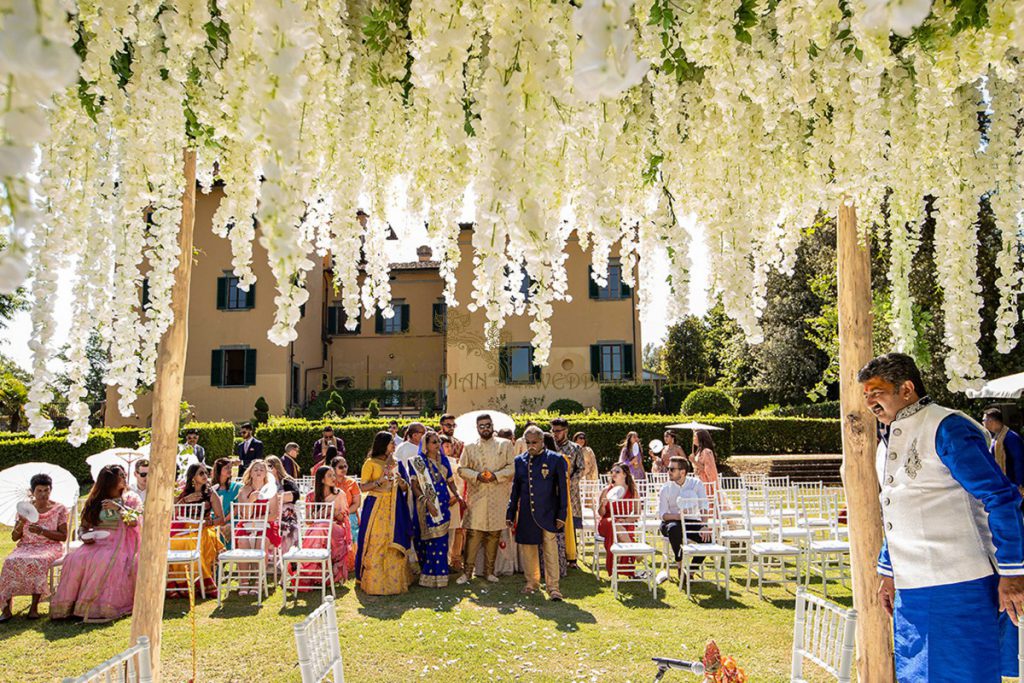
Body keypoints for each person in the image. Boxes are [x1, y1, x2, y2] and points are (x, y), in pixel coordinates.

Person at [861, 352, 1024, 682]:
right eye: (865, 396)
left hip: (958, 586)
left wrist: (1013, 570)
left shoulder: (947, 427)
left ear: (906, 388)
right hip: (912, 591)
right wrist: (888, 570)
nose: (870, 402)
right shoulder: (886, 440)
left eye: (876, 392)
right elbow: (897, 509)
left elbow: (1000, 496)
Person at [51, 465, 142, 622]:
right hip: (96, 541)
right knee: (74, 559)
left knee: (104, 559)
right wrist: (83, 535)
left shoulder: (131, 498)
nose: (124, 477)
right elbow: (83, 527)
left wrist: (119, 508)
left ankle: (98, 606)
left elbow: (135, 522)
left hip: (122, 541)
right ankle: (69, 607)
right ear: (109, 481)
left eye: (123, 474)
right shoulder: (95, 501)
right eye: (120, 475)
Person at [507, 426, 568, 600]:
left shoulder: (555, 459)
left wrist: (561, 515)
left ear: (542, 441)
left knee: (550, 550)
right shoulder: (519, 461)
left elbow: (562, 490)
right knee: (528, 548)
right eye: (528, 443)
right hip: (527, 512)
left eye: (534, 442)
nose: (531, 446)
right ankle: (532, 583)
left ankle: (553, 587)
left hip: (549, 512)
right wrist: (510, 513)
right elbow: (515, 490)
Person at [0, 474, 68, 621]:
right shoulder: (24, 509)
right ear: (32, 492)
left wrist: (43, 531)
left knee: (37, 561)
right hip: (26, 546)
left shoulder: (59, 509)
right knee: (10, 561)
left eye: (46, 490)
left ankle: (34, 607)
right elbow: (14, 537)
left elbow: (63, 536)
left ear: (51, 490)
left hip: (49, 546)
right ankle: (6, 609)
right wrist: (21, 522)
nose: (43, 494)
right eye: (39, 491)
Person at [458, 413, 515, 584]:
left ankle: (489, 571)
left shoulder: (504, 445)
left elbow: (512, 467)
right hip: (477, 496)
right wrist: (477, 476)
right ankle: (467, 572)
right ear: (477, 428)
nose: (485, 428)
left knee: (493, 534)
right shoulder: (469, 447)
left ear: (492, 425)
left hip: (498, 496)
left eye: (487, 425)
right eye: (481, 426)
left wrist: (495, 476)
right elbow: (461, 469)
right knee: (473, 533)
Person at [355, 431, 413, 595]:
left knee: (393, 541)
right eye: (391, 443)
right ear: (383, 444)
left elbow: (405, 488)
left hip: (395, 507)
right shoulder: (371, 463)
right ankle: (374, 583)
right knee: (377, 542)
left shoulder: (397, 463)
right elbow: (363, 487)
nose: (394, 446)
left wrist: (402, 482)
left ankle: (395, 582)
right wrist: (380, 480)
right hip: (377, 506)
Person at [409, 430, 466, 588]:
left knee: (442, 542)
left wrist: (458, 495)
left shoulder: (444, 461)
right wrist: (428, 503)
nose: (437, 445)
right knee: (429, 541)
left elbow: (450, 481)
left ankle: (440, 577)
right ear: (425, 445)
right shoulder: (418, 462)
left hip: (443, 505)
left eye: (438, 442)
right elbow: (415, 487)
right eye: (434, 442)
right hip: (427, 506)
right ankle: (428, 576)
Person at [169, 463, 226, 598]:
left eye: (206, 473)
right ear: (192, 477)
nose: (205, 476)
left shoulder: (210, 493)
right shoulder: (183, 492)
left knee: (191, 544)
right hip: (182, 528)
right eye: (201, 473)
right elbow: (171, 513)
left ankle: (200, 584)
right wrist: (184, 501)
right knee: (175, 543)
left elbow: (221, 519)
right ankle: (177, 586)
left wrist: (208, 522)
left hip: (203, 529)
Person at [294, 466, 351, 586]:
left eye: (333, 475)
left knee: (323, 524)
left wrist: (334, 513)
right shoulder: (311, 496)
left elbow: (343, 519)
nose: (333, 478)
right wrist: (319, 515)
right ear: (321, 480)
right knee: (321, 525)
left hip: (336, 529)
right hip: (317, 530)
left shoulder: (340, 494)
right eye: (329, 475)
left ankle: (310, 569)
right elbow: (308, 521)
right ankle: (315, 572)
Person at [658, 457, 711, 584]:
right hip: (671, 521)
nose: (668, 472)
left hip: (690, 521)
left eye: (671, 469)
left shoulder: (696, 484)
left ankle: (691, 571)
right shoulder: (665, 488)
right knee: (674, 529)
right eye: (668, 469)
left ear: (682, 472)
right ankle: (680, 565)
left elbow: (704, 506)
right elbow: (663, 515)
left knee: (708, 538)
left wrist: (704, 525)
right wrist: (679, 516)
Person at [235, 459, 280, 596]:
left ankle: (258, 582)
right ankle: (243, 582)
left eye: (262, 469)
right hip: (247, 525)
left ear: (266, 473)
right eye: (256, 469)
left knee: (261, 542)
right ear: (251, 473)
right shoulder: (244, 490)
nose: (259, 472)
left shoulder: (271, 490)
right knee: (242, 542)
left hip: (266, 526)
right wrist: (251, 501)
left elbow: (273, 515)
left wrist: (259, 519)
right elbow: (245, 516)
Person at [551, 418, 583, 568]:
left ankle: (572, 558)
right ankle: (555, 555)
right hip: (552, 491)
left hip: (570, 491)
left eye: (558, 431)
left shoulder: (575, 448)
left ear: (566, 431)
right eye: (553, 431)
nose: (555, 434)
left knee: (571, 524)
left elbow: (581, 468)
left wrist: (568, 483)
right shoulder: (549, 447)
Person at [597, 463, 639, 578]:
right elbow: (601, 513)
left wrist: (625, 520)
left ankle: (624, 564)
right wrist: (602, 505)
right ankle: (635, 552)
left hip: (625, 523)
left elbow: (637, 513)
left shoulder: (632, 491)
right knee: (613, 522)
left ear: (625, 474)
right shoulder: (607, 490)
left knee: (618, 524)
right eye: (612, 471)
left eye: (617, 471)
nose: (613, 474)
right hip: (607, 523)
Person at [331, 454, 361, 572]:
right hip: (332, 515)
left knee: (351, 525)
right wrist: (335, 515)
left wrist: (344, 514)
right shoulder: (330, 483)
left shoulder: (351, 482)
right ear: (333, 468)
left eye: (345, 466)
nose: (344, 469)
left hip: (350, 514)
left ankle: (351, 562)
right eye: (340, 467)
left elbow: (357, 503)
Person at [983, 408, 1024, 493]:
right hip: (1002, 485)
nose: (982, 423)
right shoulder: (996, 437)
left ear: (991, 421)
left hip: (1013, 486)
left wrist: (1020, 485)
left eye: (984, 420)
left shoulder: (1011, 437)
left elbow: (1019, 461)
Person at [266, 455, 301, 554]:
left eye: (269, 466)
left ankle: (289, 560)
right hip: (272, 515)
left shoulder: (286, 480)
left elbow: (295, 495)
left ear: (276, 467)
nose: (267, 470)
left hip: (287, 516)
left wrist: (275, 497)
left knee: (289, 528)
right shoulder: (265, 484)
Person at [212, 456, 243, 549]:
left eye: (230, 467)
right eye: (226, 468)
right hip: (215, 520)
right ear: (219, 470)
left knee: (228, 528)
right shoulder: (211, 488)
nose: (230, 470)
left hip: (231, 520)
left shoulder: (236, 487)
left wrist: (224, 520)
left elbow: (237, 508)